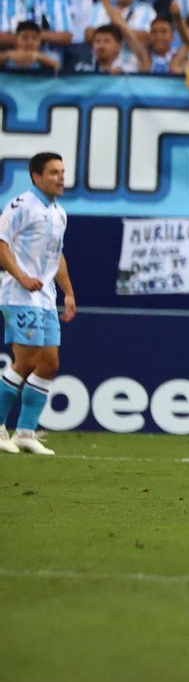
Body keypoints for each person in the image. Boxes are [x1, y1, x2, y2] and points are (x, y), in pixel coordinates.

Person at [0, 151, 74, 455]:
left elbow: (57, 255)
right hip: (18, 295)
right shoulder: (22, 206)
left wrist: (68, 292)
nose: (61, 177)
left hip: (45, 298)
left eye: (62, 172)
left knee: (49, 363)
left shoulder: (59, 212)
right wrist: (20, 276)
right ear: (36, 176)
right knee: (27, 360)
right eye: (54, 172)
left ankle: (25, 432)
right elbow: (1, 243)